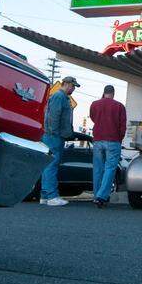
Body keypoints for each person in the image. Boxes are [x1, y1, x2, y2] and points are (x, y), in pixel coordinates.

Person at [41, 76, 79, 207]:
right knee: (52, 165)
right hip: (54, 136)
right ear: (66, 84)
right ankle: (52, 196)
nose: (73, 89)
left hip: (52, 135)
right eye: (73, 86)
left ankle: (45, 196)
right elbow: (53, 116)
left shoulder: (60, 97)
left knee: (48, 165)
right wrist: (54, 132)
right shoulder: (59, 96)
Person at [89, 84, 127, 208]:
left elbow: (93, 118)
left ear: (104, 92)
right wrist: (119, 138)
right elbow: (122, 126)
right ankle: (102, 196)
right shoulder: (119, 106)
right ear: (113, 93)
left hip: (98, 139)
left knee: (98, 169)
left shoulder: (95, 104)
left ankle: (96, 195)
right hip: (113, 140)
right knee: (110, 168)